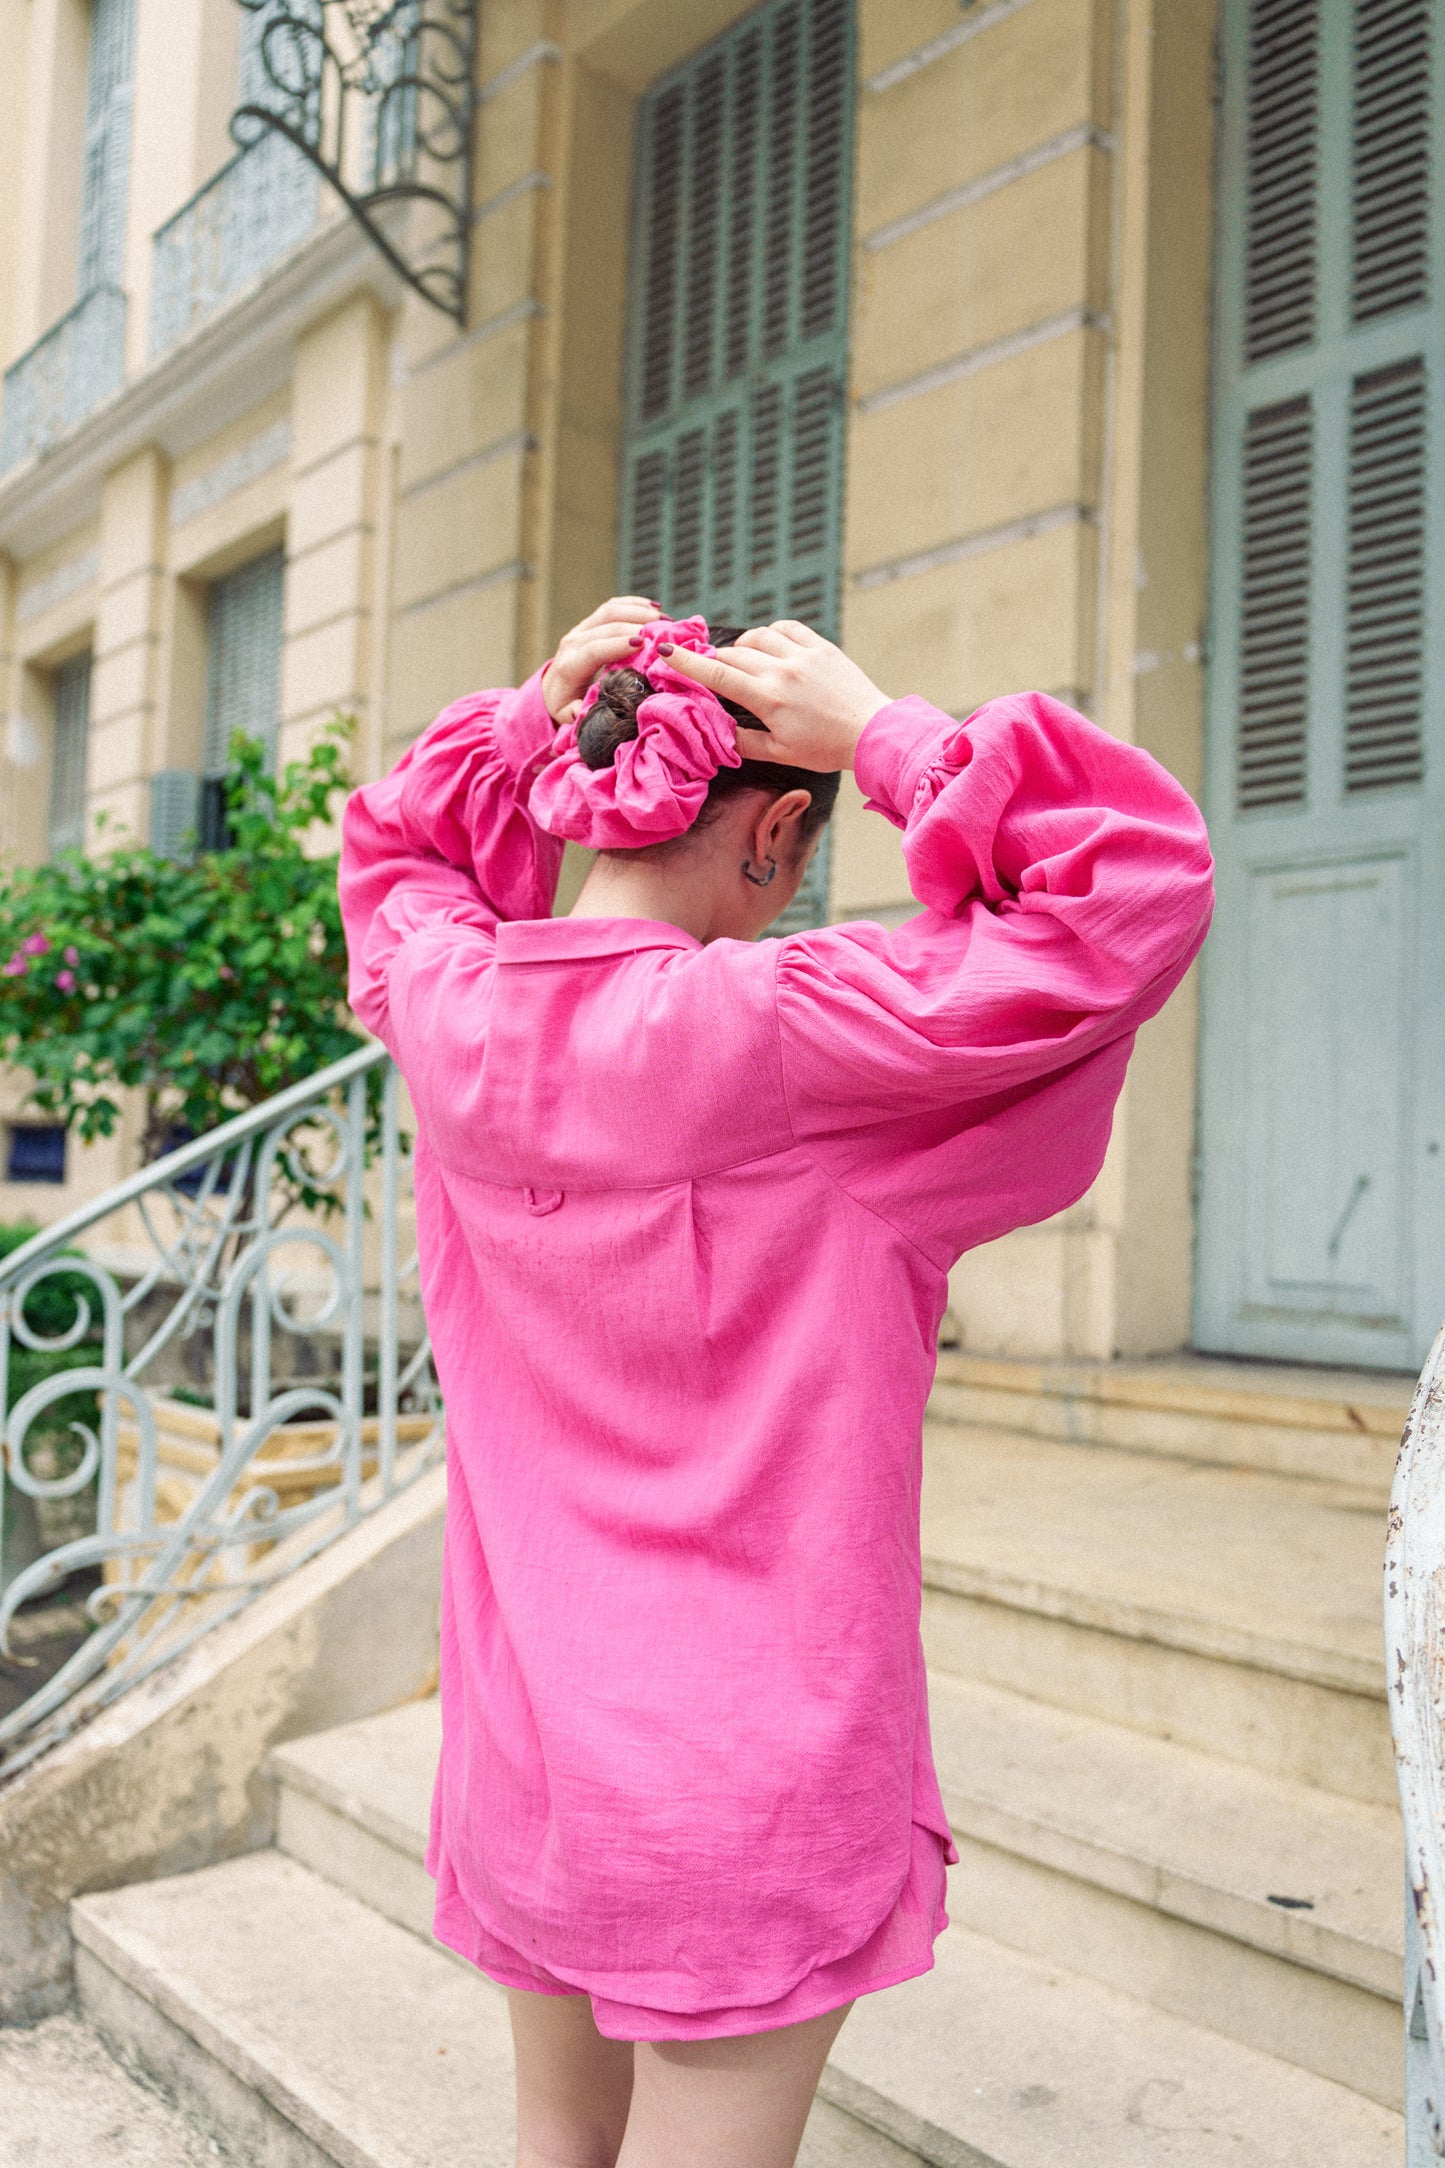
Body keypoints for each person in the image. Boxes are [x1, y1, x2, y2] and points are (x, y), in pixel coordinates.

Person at [338, 600, 1214, 2167]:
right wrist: (889, 730)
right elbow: (1126, 891)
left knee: (555, 2144)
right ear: (779, 828)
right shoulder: (793, 1034)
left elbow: (401, 863)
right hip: (737, 1793)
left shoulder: (447, 1009)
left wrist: (531, 716)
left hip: (530, 1755)